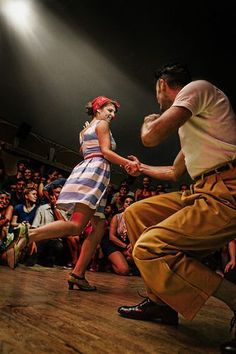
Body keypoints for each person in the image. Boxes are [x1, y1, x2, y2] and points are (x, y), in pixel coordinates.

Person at [118, 63, 236, 353]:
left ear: (162, 85)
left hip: (227, 190)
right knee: (135, 213)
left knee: (147, 247)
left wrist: (148, 122)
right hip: (203, 190)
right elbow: (174, 172)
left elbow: (151, 136)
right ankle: (161, 305)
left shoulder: (198, 88)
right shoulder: (197, 123)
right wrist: (141, 167)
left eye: (157, 90)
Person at [12, 96, 138, 291]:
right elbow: (105, 151)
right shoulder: (102, 125)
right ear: (98, 109)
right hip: (96, 172)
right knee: (77, 226)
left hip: (86, 169)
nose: (112, 115)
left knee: (99, 225)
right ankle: (30, 233)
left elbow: (85, 150)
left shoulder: (84, 130)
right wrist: (127, 163)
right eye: (109, 110)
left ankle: (78, 274)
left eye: (114, 112)